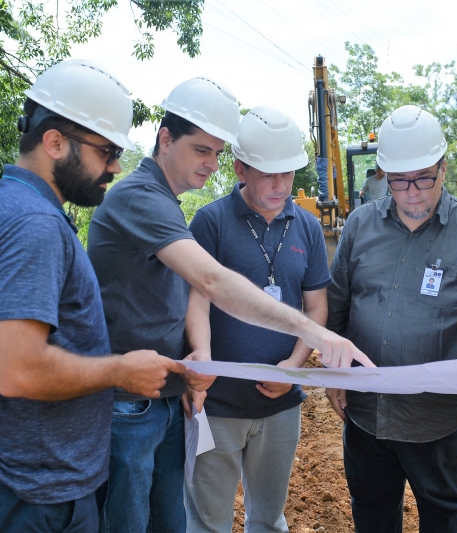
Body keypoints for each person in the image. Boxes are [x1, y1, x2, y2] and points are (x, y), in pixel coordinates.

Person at [87, 79, 373, 533]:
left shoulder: (167, 203)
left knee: (169, 518)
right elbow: (210, 283)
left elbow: (176, 297)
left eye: (215, 153)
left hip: (161, 394)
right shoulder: (146, 200)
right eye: (202, 150)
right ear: (165, 139)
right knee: (138, 520)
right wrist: (317, 335)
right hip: (131, 401)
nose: (210, 163)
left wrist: (204, 356)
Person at [0, 59, 186, 533]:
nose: (115, 167)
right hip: (33, 491)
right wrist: (120, 369)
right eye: (106, 151)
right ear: (55, 142)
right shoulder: (34, 226)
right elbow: (18, 367)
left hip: (11, 476)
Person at [325, 105, 457, 532]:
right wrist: (333, 372)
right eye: (399, 181)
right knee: (371, 509)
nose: (412, 192)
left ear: (443, 167)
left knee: (443, 513)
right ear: (384, 174)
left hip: (438, 418)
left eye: (423, 177)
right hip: (367, 413)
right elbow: (338, 305)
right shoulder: (360, 226)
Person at [184, 106, 329, 532]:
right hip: (218, 405)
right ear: (240, 168)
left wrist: (294, 366)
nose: (280, 185)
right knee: (208, 522)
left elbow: (316, 307)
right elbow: (198, 301)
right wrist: (204, 364)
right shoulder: (210, 222)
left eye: (288, 173)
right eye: (268, 174)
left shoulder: (307, 227)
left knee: (268, 518)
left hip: (280, 406)